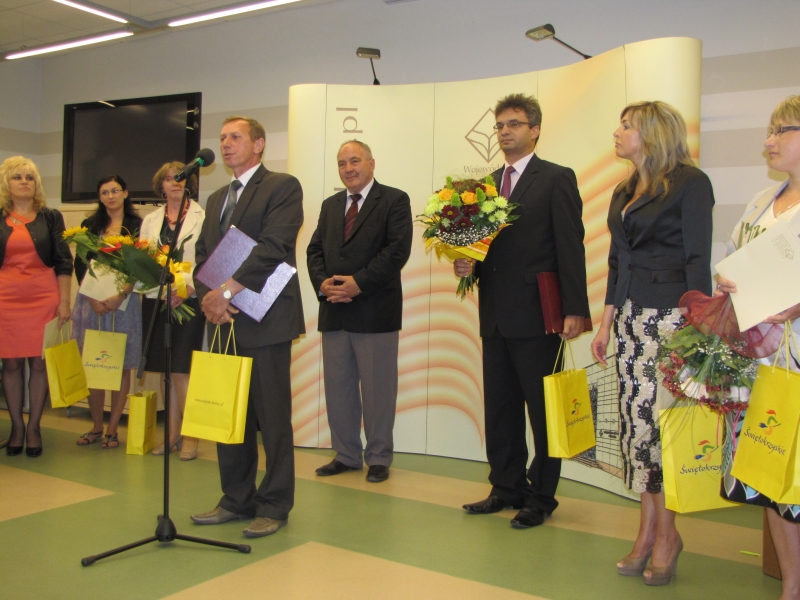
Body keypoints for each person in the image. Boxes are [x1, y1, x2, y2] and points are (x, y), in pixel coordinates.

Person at [590, 101, 714, 585]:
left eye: (627, 126)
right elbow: (617, 262)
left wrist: (695, 330)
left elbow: (697, 259)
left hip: (671, 321)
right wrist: (606, 323)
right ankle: (647, 533)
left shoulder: (690, 183)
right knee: (636, 428)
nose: (617, 132)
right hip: (629, 322)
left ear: (653, 133)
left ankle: (665, 537)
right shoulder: (624, 189)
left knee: (661, 430)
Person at [454, 93, 590, 529]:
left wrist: (575, 309)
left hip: (539, 314)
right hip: (495, 314)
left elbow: (570, 245)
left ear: (535, 130)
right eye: (499, 125)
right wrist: (468, 264)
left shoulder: (556, 178)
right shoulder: (486, 186)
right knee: (501, 408)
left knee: (543, 412)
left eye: (514, 124)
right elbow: (485, 250)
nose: (505, 132)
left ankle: (541, 496)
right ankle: (505, 487)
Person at [191, 115, 304, 538]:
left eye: (235, 137)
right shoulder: (217, 197)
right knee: (230, 413)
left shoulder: (281, 186)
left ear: (259, 144)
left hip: (266, 319)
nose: (225, 144)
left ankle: (273, 504)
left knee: (272, 418)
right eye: (222, 138)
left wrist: (227, 291)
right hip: (224, 321)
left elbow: (274, 246)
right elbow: (204, 254)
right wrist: (211, 299)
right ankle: (236, 499)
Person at [717, 95, 800, 600]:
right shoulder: (760, 202)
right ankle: (792, 585)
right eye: (770, 131)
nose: (769, 141)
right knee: (770, 469)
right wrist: (728, 282)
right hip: (759, 360)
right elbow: (732, 259)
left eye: (782, 130)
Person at [307, 140, 413, 483]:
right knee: (338, 389)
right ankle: (346, 454)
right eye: (342, 163)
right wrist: (323, 283)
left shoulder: (394, 200)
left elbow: (396, 251)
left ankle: (379, 457)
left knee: (379, 390)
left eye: (354, 161)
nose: (348, 168)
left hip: (374, 311)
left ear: (371, 163)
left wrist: (359, 283)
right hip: (334, 310)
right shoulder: (330, 205)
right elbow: (314, 250)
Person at [0, 156, 72, 457]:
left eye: (29, 177)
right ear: (6, 183)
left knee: (39, 363)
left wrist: (64, 302)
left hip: (43, 297)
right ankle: (17, 427)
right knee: (11, 364)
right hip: (5, 299)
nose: (24, 182)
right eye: (17, 177)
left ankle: (34, 428)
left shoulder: (50, 216)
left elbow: (63, 261)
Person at [140, 162, 205, 461]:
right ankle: (172, 433)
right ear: (161, 186)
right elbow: (144, 258)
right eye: (168, 179)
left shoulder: (202, 216)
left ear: (189, 183)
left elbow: (208, 258)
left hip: (188, 298)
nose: (175, 182)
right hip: (157, 298)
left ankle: (190, 435)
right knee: (167, 368)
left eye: (181, 178)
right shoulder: (151, 220)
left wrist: (188, 288)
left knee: (182, 368)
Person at [72, 175, 142, 450]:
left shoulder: (137, 225)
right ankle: (96, 425)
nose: (110, 196)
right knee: (95, 364)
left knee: (120, 365)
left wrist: (121, 294)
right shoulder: (90, 225)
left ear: (125, 192)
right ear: (99, 197)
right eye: (105, 192)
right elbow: (80, 264)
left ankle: (113, 429)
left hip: (124, 302)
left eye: (115, 190)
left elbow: (141, 264)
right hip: (91, 303)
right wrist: (92, 297)